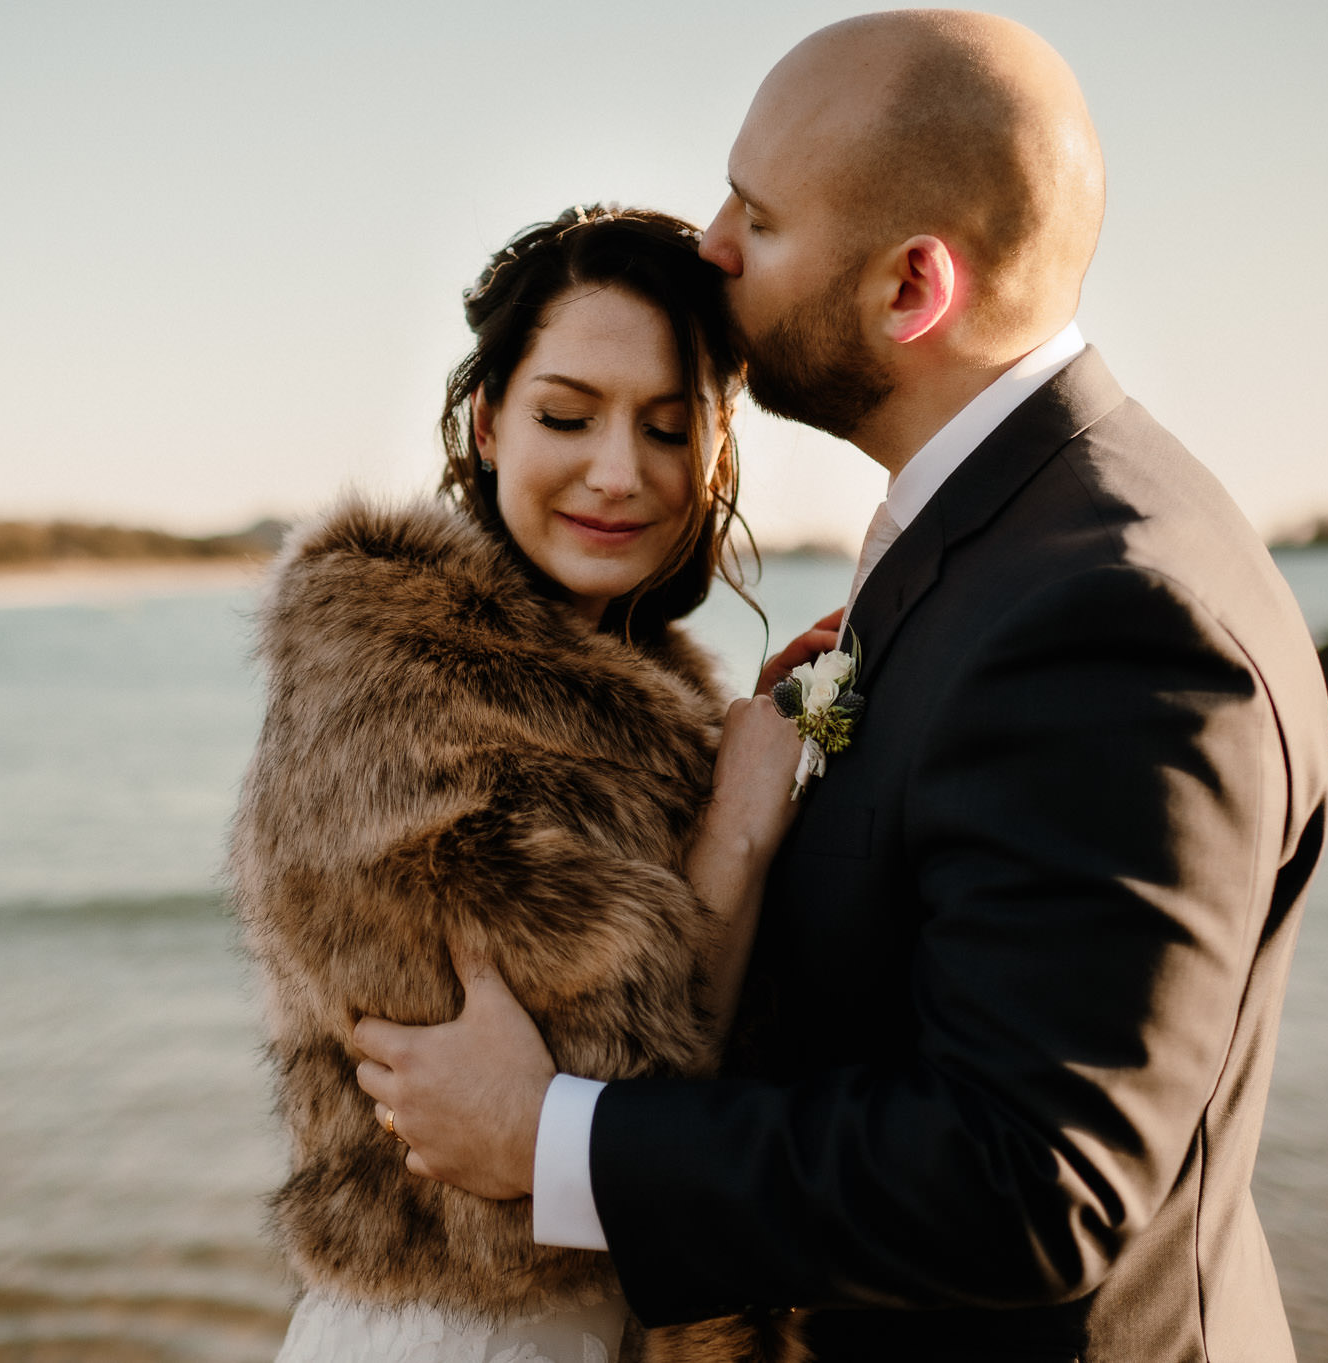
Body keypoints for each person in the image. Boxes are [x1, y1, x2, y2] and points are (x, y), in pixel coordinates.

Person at [353, 12, 1328, 1363]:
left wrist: (554, 1136)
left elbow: (1030, 1182)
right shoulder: (999, 529)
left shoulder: (1107, 607)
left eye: (757, 215)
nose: (709, 242)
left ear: (910, 288)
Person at [227, 205, 817, 1363]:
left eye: (665, 426)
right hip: (466, 1334)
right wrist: (738, 836)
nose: (617, 473)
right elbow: (601, 1089)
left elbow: (605, 1116)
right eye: (565, 415)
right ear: (489, 421)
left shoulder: (648, 694)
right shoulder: (390, 680)